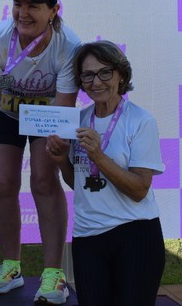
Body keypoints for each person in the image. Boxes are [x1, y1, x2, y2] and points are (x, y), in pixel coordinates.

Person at [0, 0, 81, 305]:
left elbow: (63, 108)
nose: (23, 13)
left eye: (33, 6)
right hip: (4, 112)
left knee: (43, 179)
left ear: (54, 10)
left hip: (45, 114)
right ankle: (11, 266)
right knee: (3, 182)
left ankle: (54, 274)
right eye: (18, 4)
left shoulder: (69, 47)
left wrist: (57, 142)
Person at [45, 40, 165, 306]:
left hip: (135, 235)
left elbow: (139, 190)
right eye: (88, 75)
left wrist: (99, 156)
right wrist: (61, 160)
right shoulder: (77, 121)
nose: (96, 82)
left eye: (104, 72)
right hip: (88, 237)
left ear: (121, 75)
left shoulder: (141, 121)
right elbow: (80, 184)